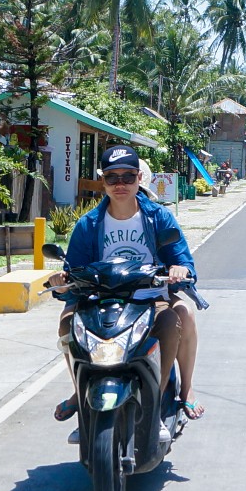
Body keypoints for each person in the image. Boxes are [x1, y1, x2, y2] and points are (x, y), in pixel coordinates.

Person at [48, 145, 203, 424]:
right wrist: (61, 283)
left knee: (178, 317)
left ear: (139, 178)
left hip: (150, 297)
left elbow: (183, 260)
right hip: (101, 299)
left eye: (128, 177)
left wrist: (179, 269)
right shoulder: (88, 224)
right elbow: (73, 270)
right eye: (112, 177)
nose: (120, 184)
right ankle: (79, 389)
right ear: (103, 181)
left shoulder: (159, 217)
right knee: (66, 321)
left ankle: (172, 390)